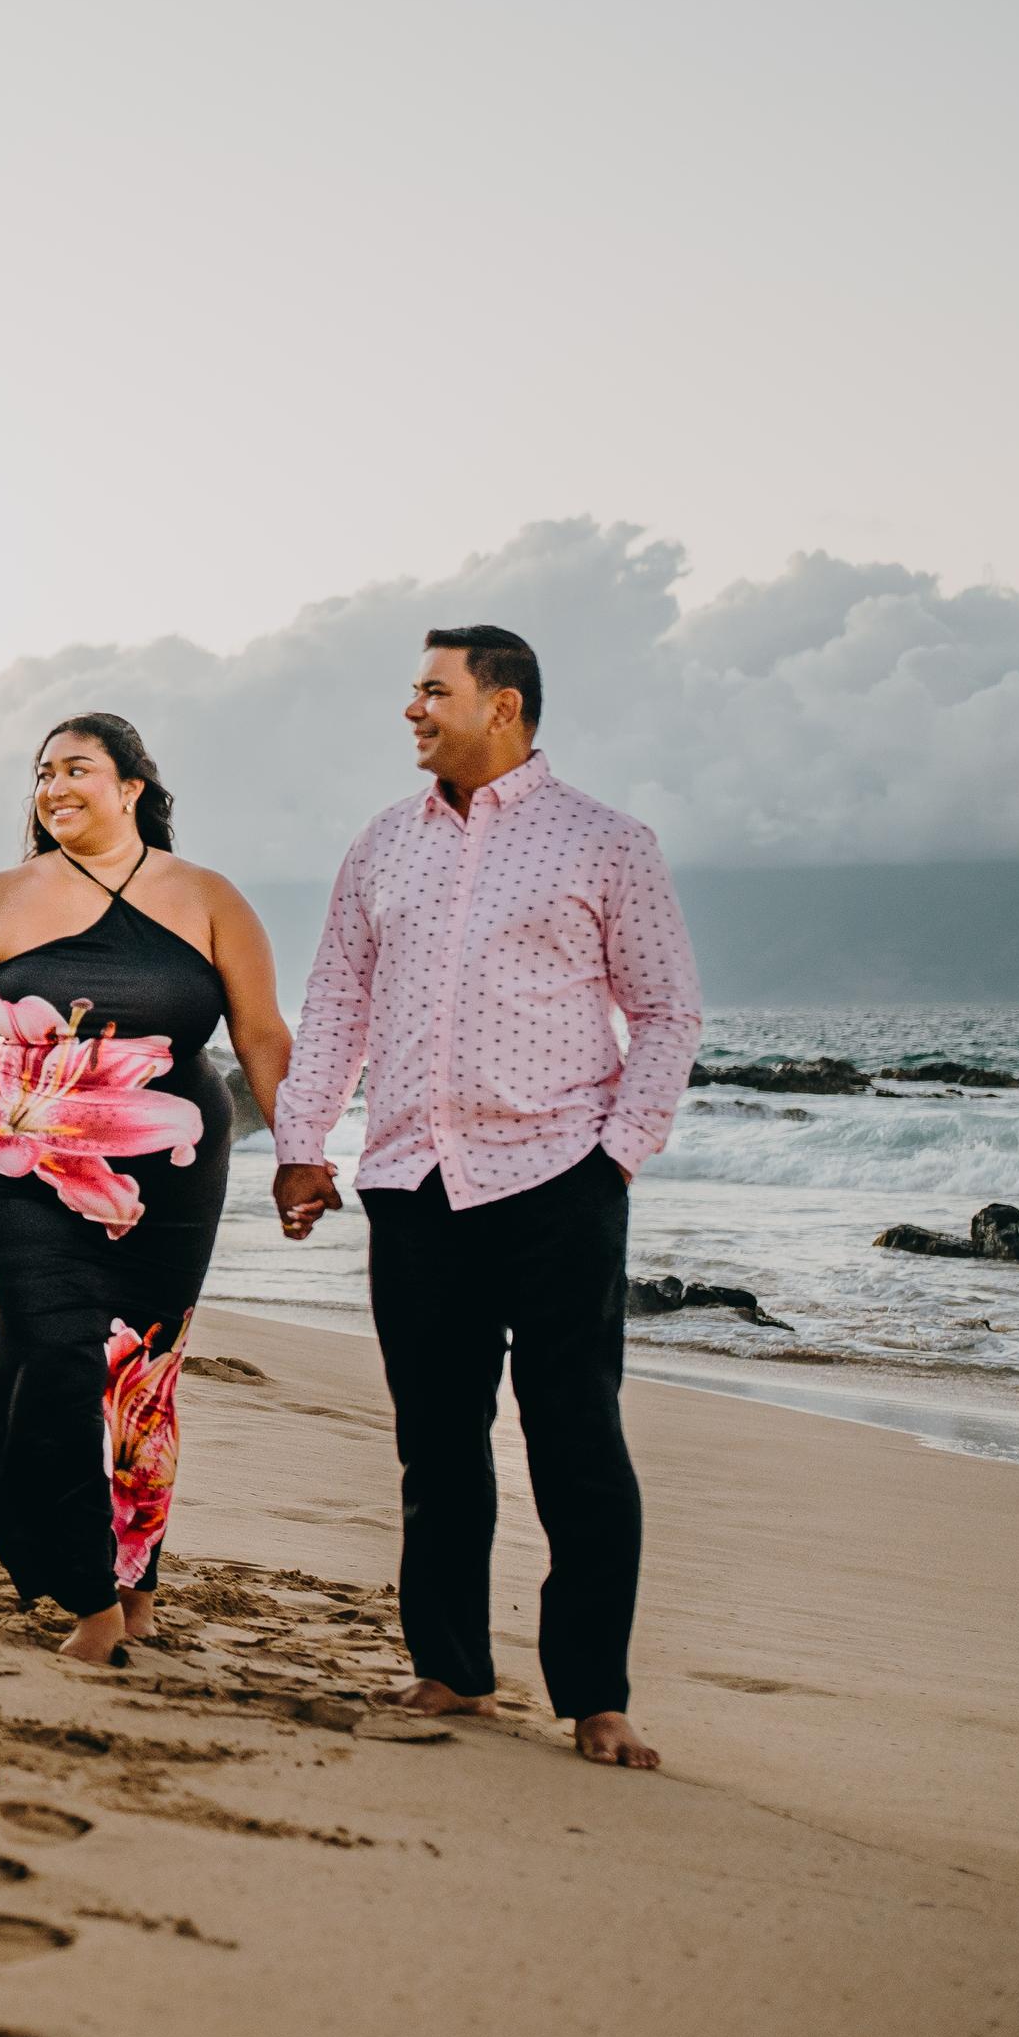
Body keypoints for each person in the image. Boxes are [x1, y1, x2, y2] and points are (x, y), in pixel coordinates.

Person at [270, 626, 702, 1770]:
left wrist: (620, 1152)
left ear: (502, 707)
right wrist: (301, 1143)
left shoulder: (607, 842)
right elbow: (337, 1007)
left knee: (576, 1444)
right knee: (438, 1444)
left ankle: (595, 1695)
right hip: (413, 1184)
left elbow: (667, 1011)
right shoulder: (379, 847)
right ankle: (453, 1667)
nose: (412, 709)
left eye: (432, 691)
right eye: (414, 689)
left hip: (561, 1177)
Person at [0, 715, 290, 1663]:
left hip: (173, 1165)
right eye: (42, 773)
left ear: (132, 788)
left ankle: (136, 1582)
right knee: (50, 1353)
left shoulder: (207, 898)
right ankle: (89, 1599)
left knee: (142, 1374)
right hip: (18, 1157)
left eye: (77, 768)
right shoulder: (1, 898)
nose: (54, 786)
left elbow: (264, 1037)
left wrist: (306, 1149)